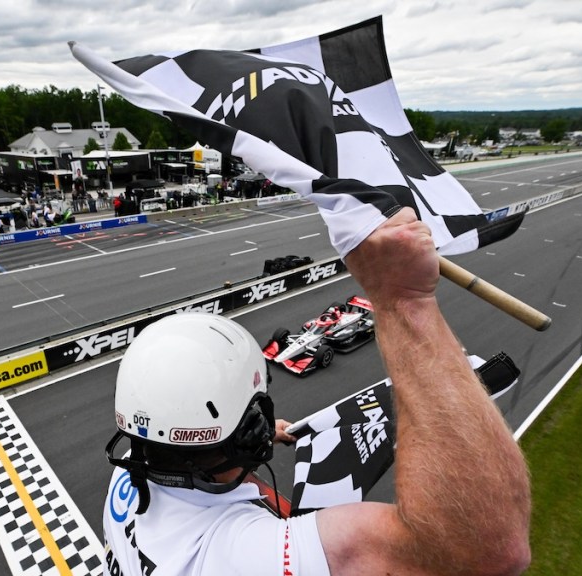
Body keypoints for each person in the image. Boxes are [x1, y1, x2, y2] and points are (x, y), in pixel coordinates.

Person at [103, 208, 531, 576]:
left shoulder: (124, 478)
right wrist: (404, 300)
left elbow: (184, 438)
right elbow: (490, 550)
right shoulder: (242, 555)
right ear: (246, 432)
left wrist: (258, 432)